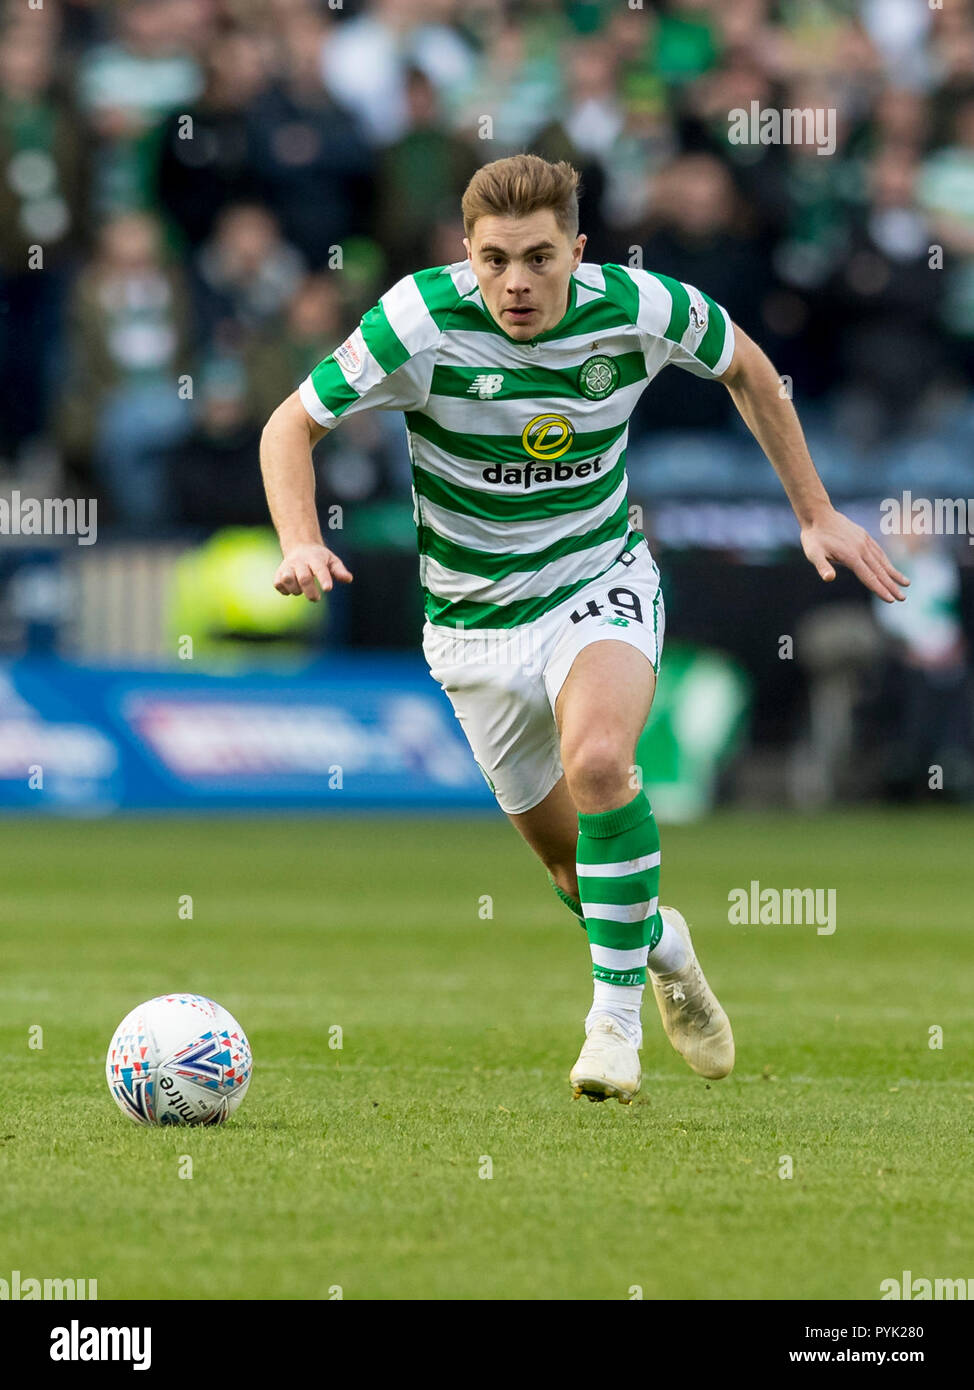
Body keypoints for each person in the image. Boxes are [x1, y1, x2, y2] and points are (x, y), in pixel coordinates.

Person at [259, 154, 908, 1103]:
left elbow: (751, 371)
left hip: (596, 581)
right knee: (576, 873)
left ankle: (612, 1028)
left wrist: (815, 512)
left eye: (538, 257)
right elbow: (289, 424)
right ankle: (663, 947)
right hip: (473, 626)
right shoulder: (417, 319)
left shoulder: (643, 307)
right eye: (493, 261)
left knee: (601, 763)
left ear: (578, 250)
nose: (515, 282)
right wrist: (300, 539)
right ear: (467, 255)